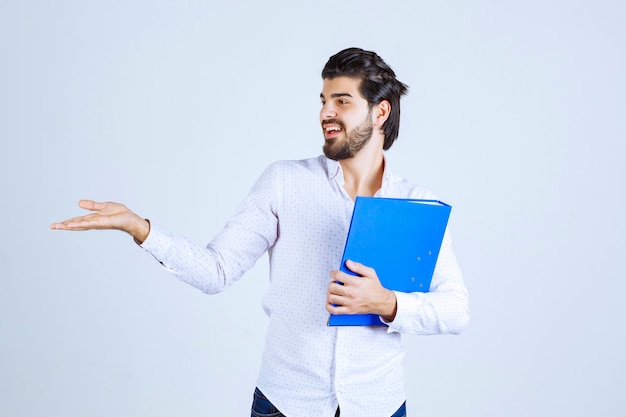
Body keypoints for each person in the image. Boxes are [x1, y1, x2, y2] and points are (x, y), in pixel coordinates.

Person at [51, 47, 469, 417]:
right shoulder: (284, 182)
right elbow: (216, 271)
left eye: (342, 101)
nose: (326, 112)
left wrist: (388, 303)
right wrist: (138, 227)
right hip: (286, 403)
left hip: (379, 405)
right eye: (323, 100)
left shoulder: (418, 205)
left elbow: (455, 310)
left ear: (380, 112)